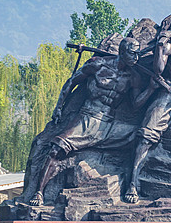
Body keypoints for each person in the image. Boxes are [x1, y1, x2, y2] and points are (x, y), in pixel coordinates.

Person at [29, 37, 154, 206]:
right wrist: (58, 107)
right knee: (55, 149)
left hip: (109, 124)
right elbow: (71, 82)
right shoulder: (98, 64)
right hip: (87, 117)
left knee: (142, 137)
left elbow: (135, 106)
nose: (136, 57)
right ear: (122, 52)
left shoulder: (133, 77)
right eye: (132, 53)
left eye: (138, 54)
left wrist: (151, 89)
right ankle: (39, 193)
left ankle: (132, 185)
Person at [124, 6, 171, 203]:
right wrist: (160, 45)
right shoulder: (169, 46)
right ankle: (132, 182)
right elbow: (158, 70)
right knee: (146, 134)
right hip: (168, 94)